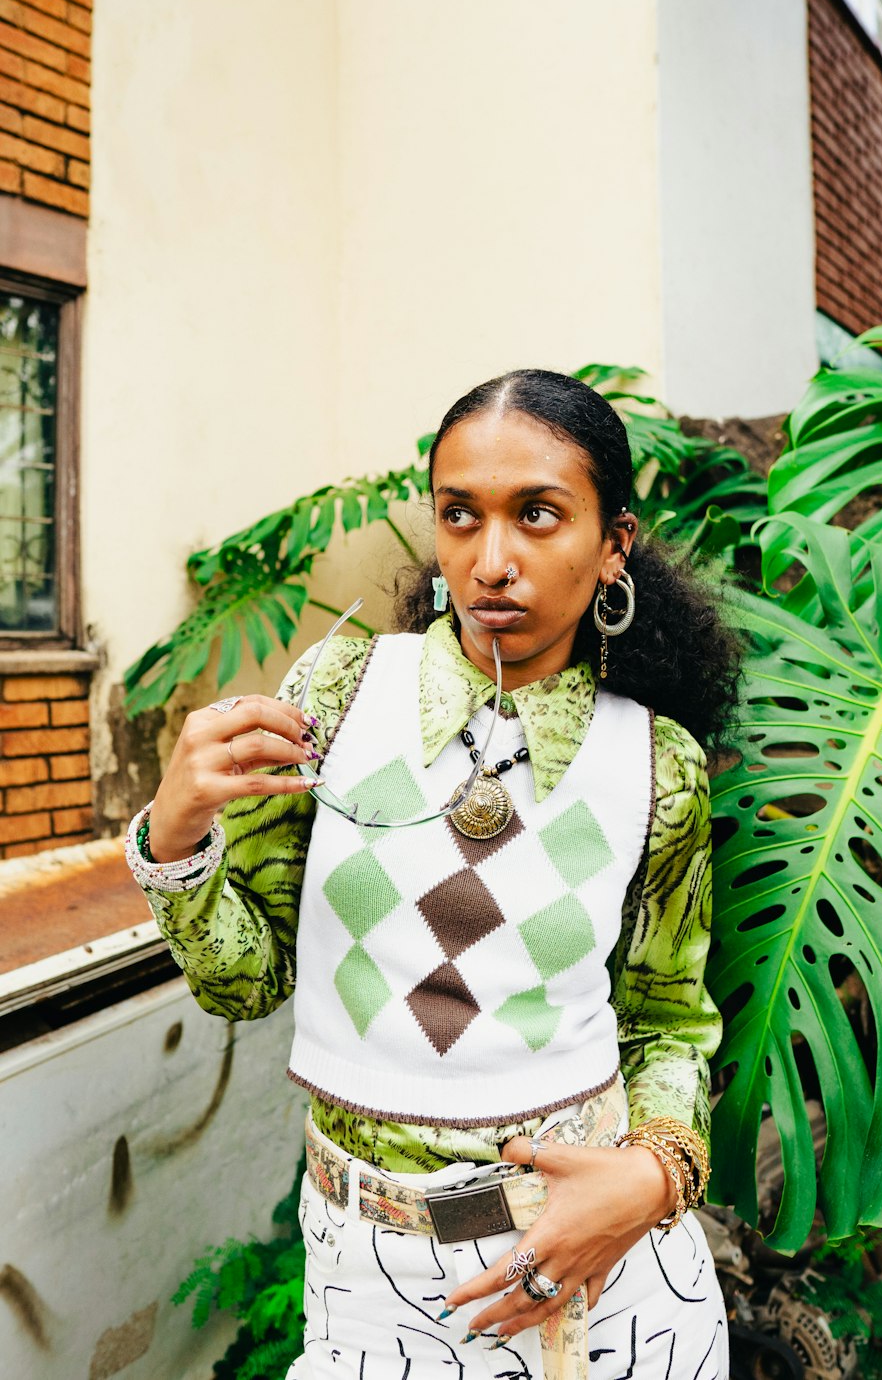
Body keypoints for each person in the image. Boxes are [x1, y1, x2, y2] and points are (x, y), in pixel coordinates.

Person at [126, 370, 742, 1380]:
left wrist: (653, 1173)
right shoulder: (339, 693)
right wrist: (179, 835)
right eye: (460, 515)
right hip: (370, 1279)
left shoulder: (655, 764)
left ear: (612, 546)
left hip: (606, 1269)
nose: (489, 562)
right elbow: (247, 979)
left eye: (537, 515)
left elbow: (666, 1017)